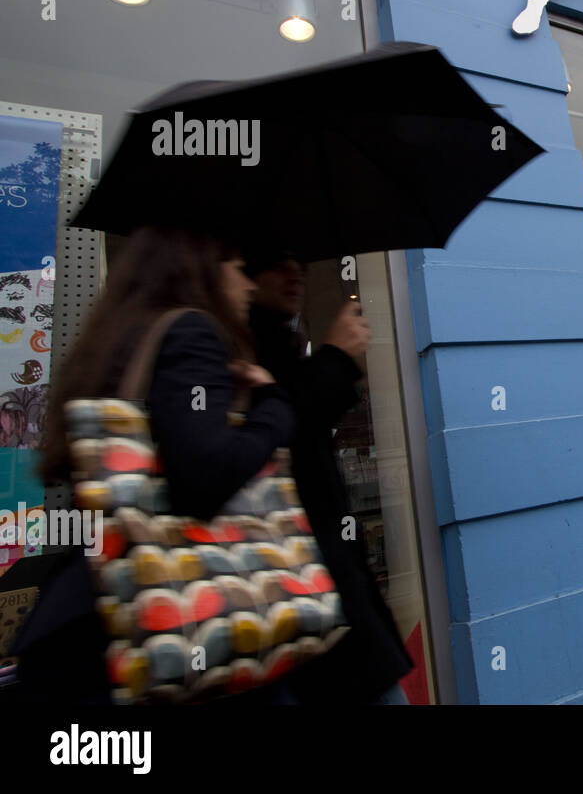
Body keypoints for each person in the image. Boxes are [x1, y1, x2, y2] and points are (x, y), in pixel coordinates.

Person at [13, 226, 295, 703]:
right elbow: (205, 476)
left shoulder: (118, 337)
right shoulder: (192, 330)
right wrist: (272, 406)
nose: (248, 285)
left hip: (85, 622)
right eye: (239, 269)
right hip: (154, 630)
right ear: (203, 269)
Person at [243, 248, 414, 704]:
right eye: (277, 258)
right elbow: (276, 439)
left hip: (313, 597)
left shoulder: (276, 341)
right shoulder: (233, 343)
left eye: (297, 258)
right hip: (296, 596)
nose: (294, 269)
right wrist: (335, 358)